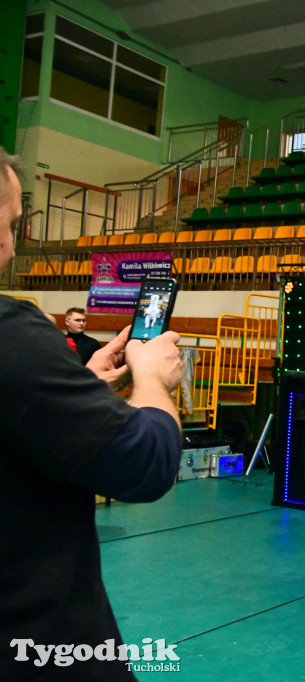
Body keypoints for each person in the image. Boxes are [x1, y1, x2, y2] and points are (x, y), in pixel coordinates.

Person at [0, 148, 184, 681]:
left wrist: (78, 387)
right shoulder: (14, 336)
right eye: (11, 224)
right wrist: (151, 378)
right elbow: (145, 464)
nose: (13, 242)